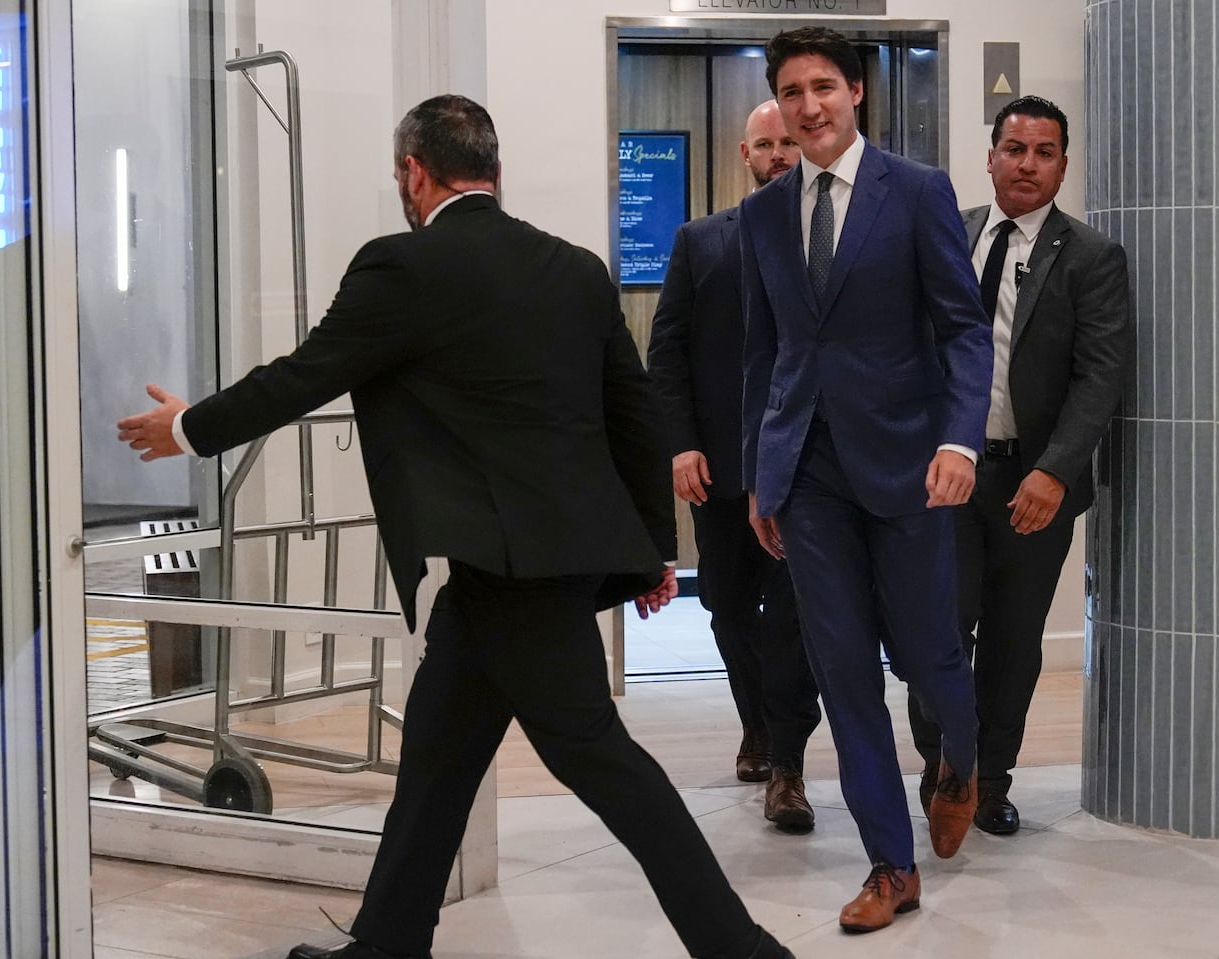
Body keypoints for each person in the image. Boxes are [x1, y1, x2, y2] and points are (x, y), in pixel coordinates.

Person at [116, 95, 793, 959]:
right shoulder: (575, 268)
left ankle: (743, 949)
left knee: (603, 764)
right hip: (514, 570)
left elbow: (303, 375)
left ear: (414, 174)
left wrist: (186, 427)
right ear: (495, 172)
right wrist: (654, 550)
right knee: (437, 757)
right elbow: (633, 414)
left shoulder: (402, 266)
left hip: (512, 575)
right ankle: (388, 943)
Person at [738, 27, 993, 932]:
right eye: (791, 90)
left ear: (856, 93)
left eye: (824, 88)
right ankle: (891, 863)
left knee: (931, 655)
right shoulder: (766, 214)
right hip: (808, 474)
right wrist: (762, 478)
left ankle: (959, 757)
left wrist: (961, 442)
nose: (809, 106)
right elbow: (763, 354)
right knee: (842, 670)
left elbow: (964, 329)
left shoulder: (917, 192)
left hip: (910, 466)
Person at [907, 95, 1130, 835]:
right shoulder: (951, 232)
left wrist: (1057, 470)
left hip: (1031, 484)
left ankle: (990, 778)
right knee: (936, 628)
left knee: (1011, 640)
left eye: (1044, 151)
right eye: (1015, 148)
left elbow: (1101, 376)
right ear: (992, 154)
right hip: (946, 473)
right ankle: (947, 765)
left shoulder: (1093, 257)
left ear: (1063, 162)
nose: (1027, 164)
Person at [646, 99, 821, 832]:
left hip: (808, 465)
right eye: (765, 144)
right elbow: (667, 353)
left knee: (793, 616)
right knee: (723, 602)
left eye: (788, 142)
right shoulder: (700, 240)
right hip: (719, 466)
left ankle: (787, 762)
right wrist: (681, 443)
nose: (778, 154)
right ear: (743, 154)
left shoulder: (829, 238)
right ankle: (758, 718)